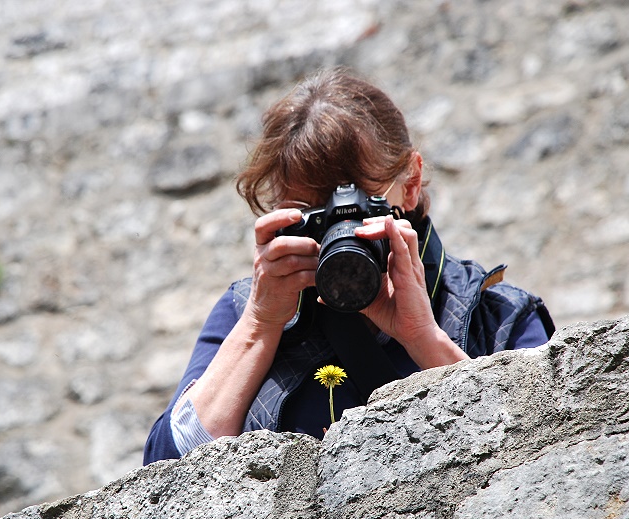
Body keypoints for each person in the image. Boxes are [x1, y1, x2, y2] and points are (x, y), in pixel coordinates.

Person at [143, 67, 554, 465]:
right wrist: (260, 325)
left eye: (358, 208)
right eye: (312, 212)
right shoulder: (245, 312)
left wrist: (424, 339)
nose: (340, 232)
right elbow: (164, 477)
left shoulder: (497, 315)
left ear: (409, 185)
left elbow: (546, 453)